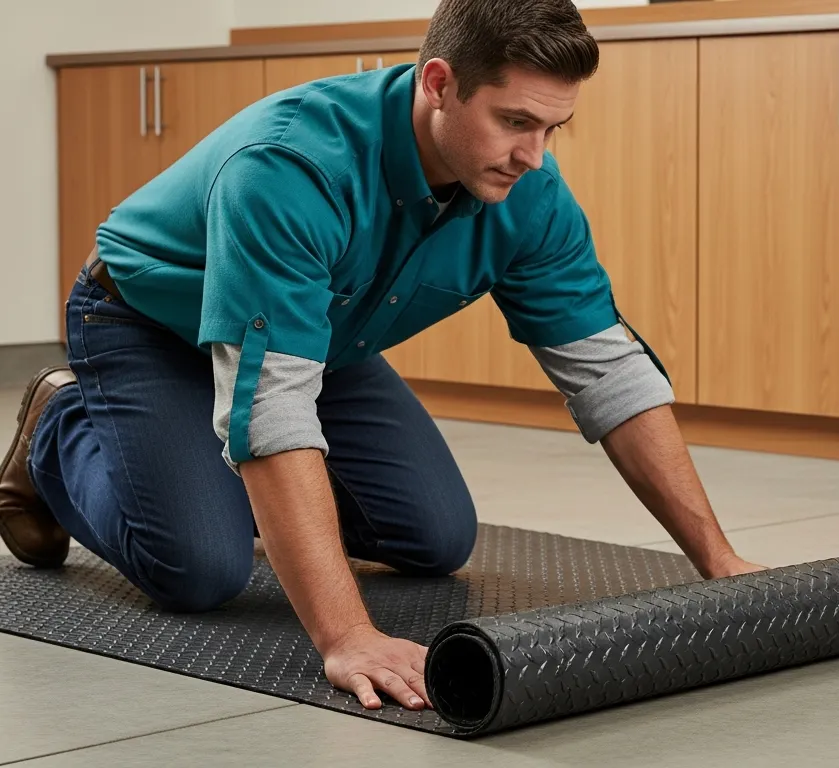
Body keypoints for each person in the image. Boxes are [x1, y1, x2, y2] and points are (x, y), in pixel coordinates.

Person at [0, 0, 762, 714]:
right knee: (201, 568)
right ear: (440, 84)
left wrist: (718, 560)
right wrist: (345, 636)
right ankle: (56, 428)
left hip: (318, 336)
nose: (533, 155)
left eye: (553, 129)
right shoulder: (292, 167)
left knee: (434, 537)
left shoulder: (529, 191)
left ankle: (195, 467)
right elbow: (270, 408)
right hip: (147, 320)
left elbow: (609, 374)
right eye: (514, 121)